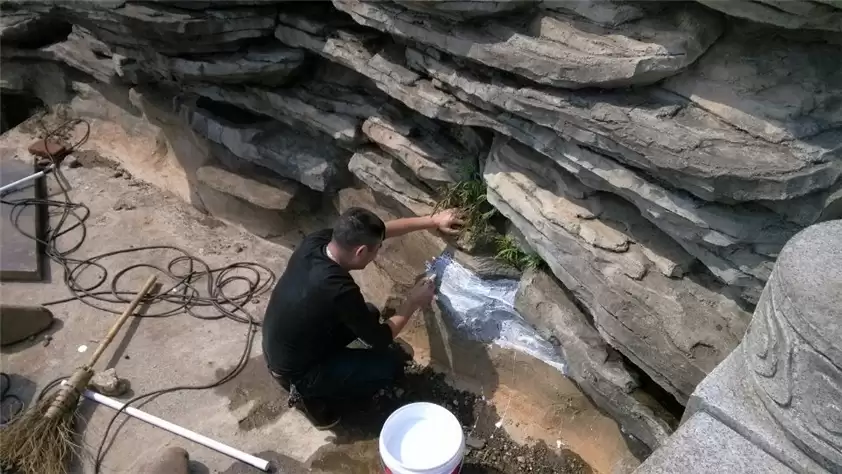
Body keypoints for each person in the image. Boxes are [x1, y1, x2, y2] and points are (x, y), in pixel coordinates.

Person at [262, 207, 464, 429]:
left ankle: (338, 366)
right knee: (389, 367)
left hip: (286, 346)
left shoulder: (317, 242)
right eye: (376, 249)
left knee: (369, 313)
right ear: (360, 252)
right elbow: (381, 338)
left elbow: (382, 231)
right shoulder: (339, 290)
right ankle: (310, 398)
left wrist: (433, 220)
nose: (378, 252)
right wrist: (412, 302)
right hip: (297, 372)